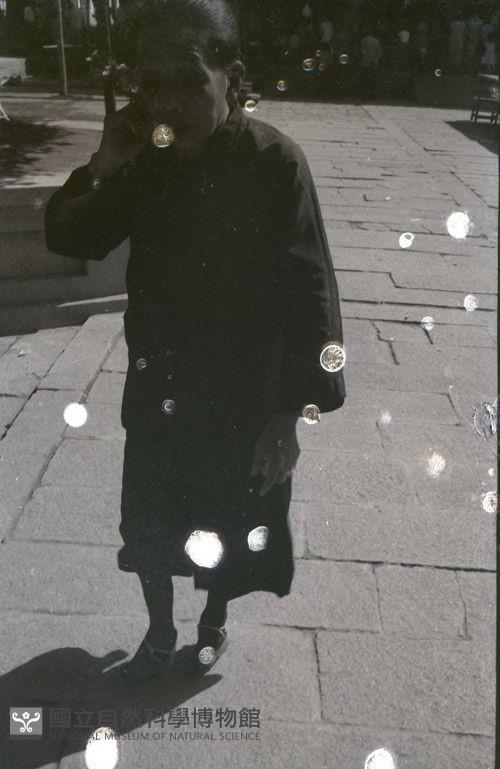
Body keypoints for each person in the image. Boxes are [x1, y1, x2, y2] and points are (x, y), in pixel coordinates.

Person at [44, 0, 346, 680]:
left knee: (229, 522)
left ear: (229, 74)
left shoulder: (274, 162)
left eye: (188, 80)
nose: (168, 102)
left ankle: (212, 622)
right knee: (150, 521)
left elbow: (312, 293)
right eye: (152, 83)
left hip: (244, 391)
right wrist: (105, 162)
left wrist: (290, 414)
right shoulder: (149, 162)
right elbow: (73, 236)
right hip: (163, 382)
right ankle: (158, 630)